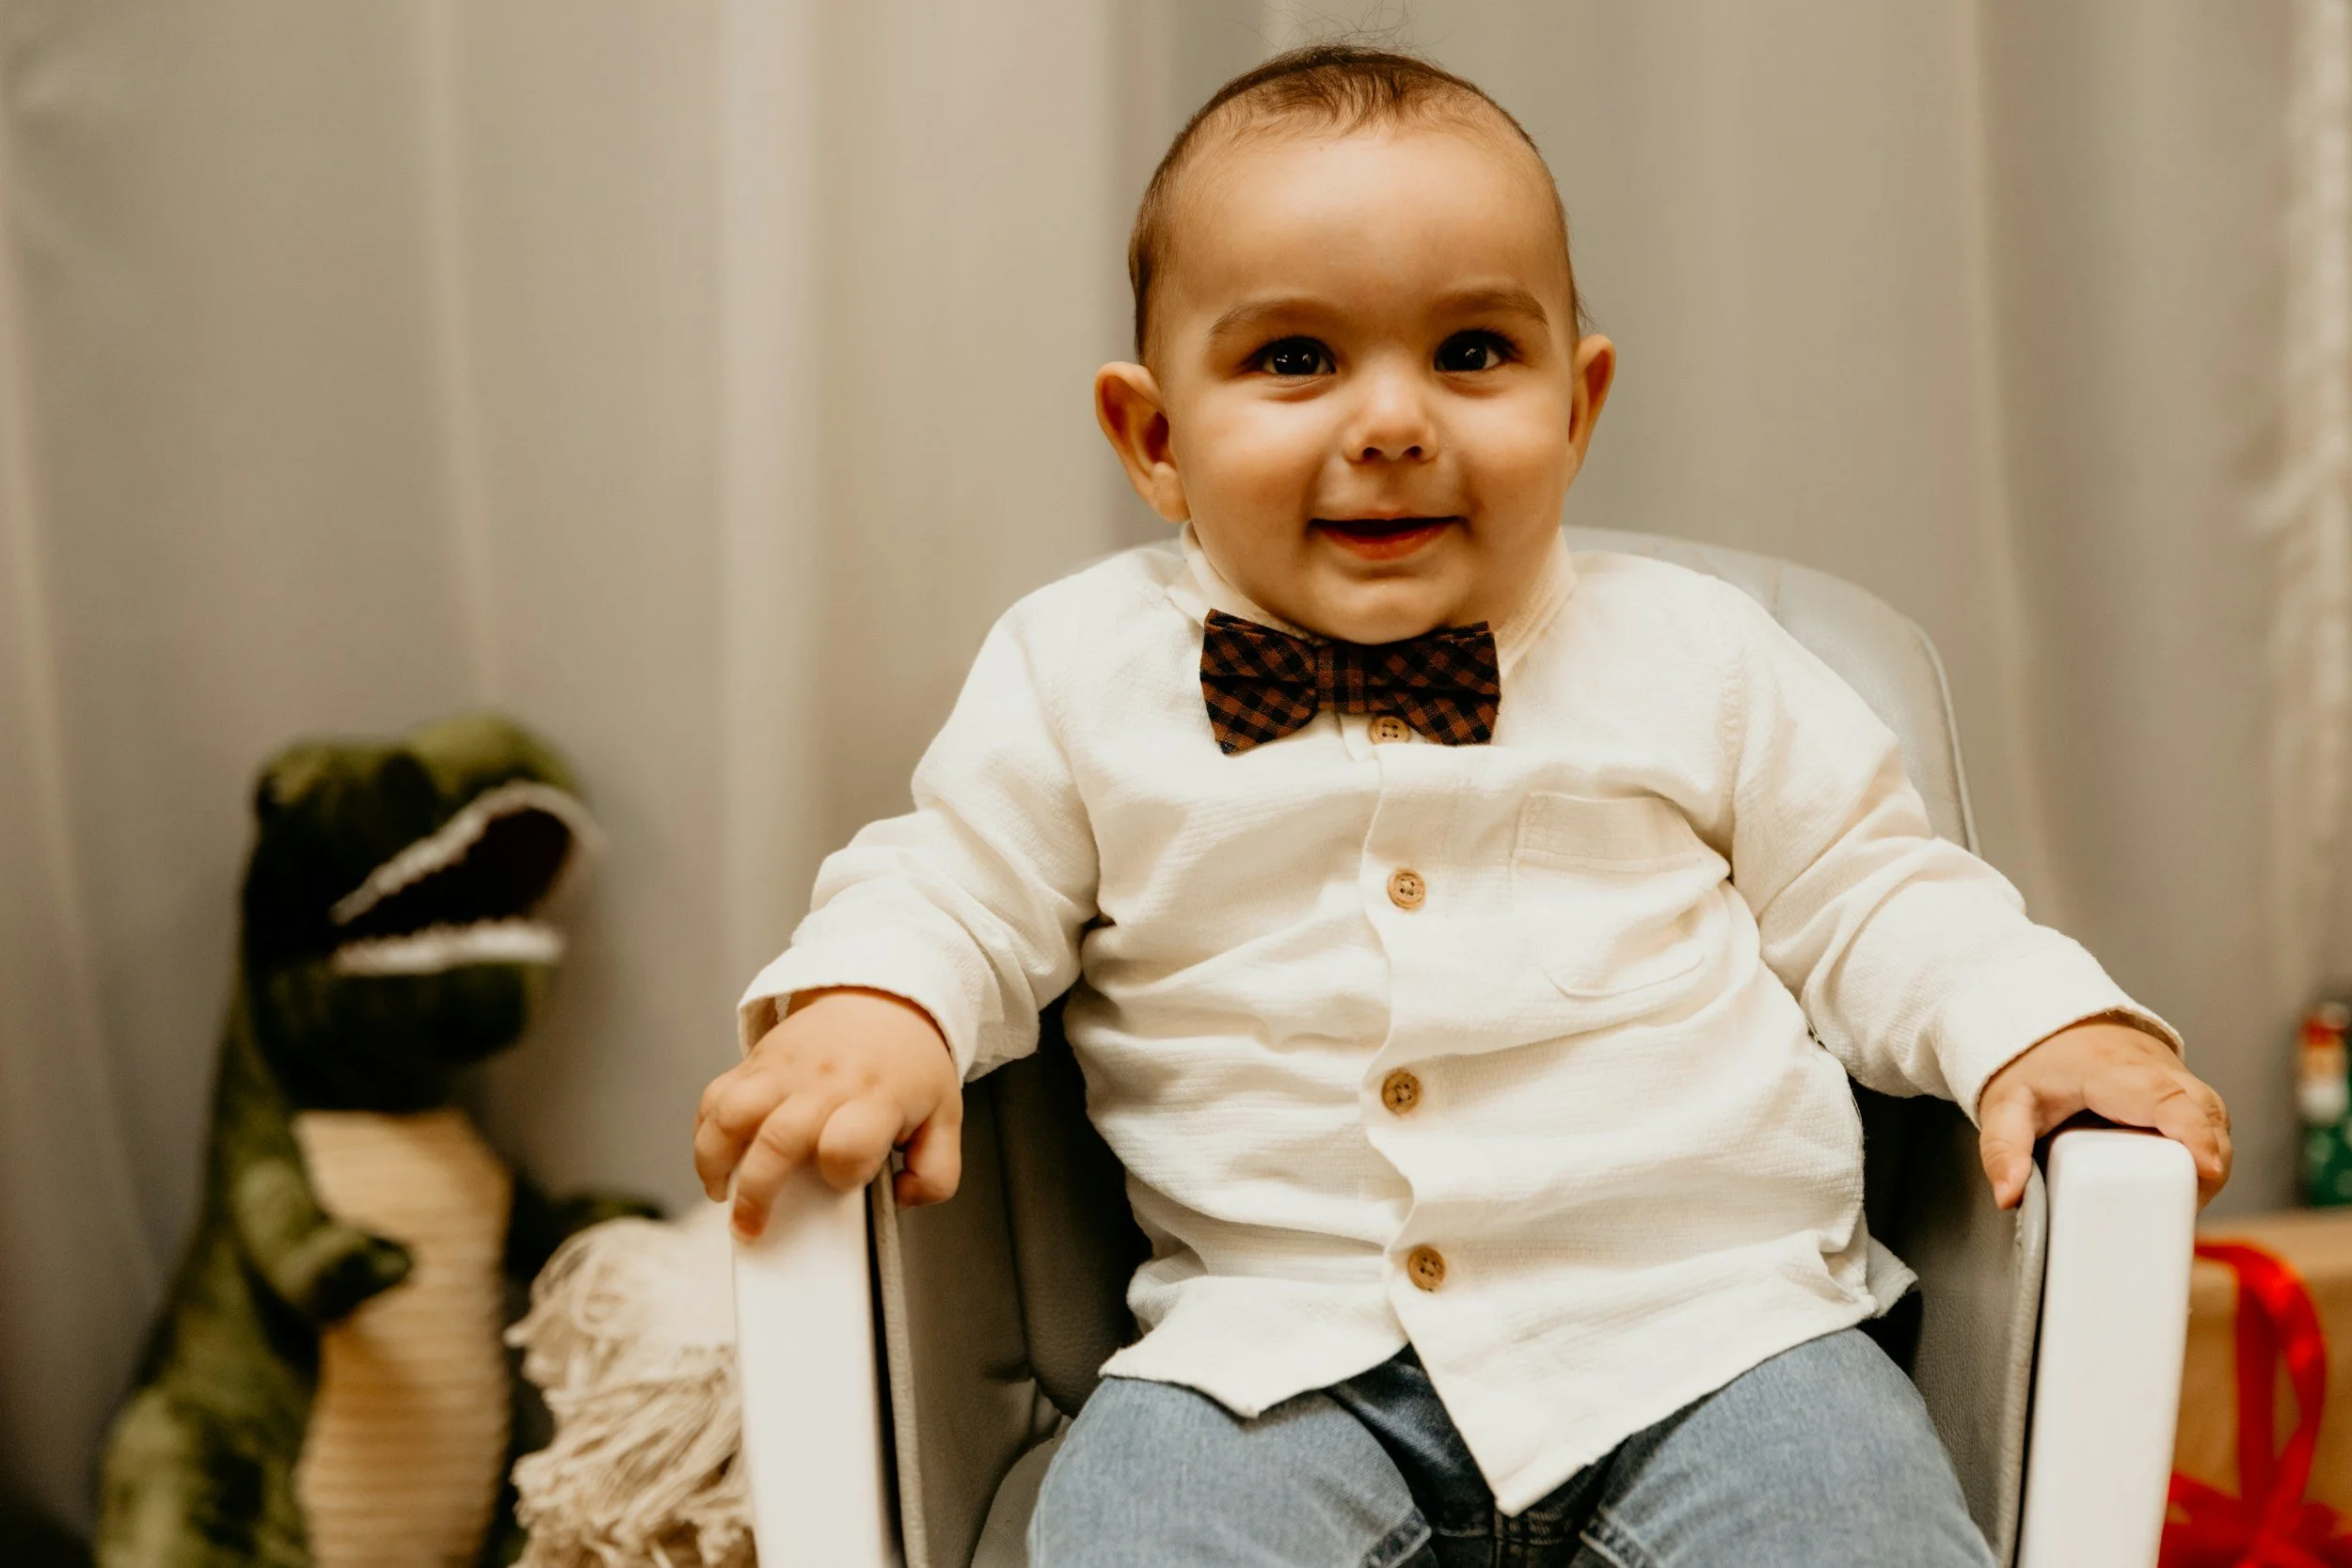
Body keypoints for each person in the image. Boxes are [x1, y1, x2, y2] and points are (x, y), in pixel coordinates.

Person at [692, 44, 2230, 1567]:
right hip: (1269, 1359)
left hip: (1719, 1338)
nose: (1391, 421)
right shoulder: (1074, 673)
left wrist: (2043, 1025)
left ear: (1581, 398)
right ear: (1155, 437)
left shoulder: (1701, 656)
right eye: (1294, 357)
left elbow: (1880, 891)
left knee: (1859, 1530)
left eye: (1475, 353)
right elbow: (956, 881)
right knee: (1136, 1528)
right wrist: (877, 1004)